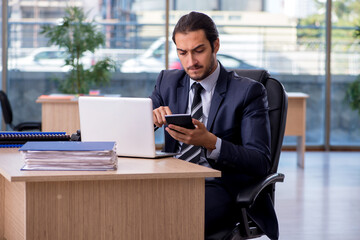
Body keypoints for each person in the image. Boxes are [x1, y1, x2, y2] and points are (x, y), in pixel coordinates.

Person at [150, 11, 277, 239]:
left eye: (199, 51)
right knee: (128, 210)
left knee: (174, 220)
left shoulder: (249, 92)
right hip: (172, 179)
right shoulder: (166, 82)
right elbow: (139, 128)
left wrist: (211, 143)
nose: (191, 62)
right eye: (183, 53)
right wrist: (150, 120)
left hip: (221, 185)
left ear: (215, 45)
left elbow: (260, 162)